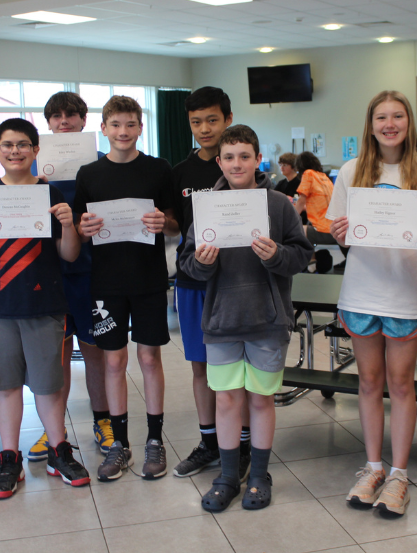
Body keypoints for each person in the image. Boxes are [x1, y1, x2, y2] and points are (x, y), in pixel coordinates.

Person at [179, 124, 312, 512]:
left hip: (267, 321)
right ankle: (226, 476)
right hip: (221, 322)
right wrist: (202, 266)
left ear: (257, 160)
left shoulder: (277, 205)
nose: (237, 164)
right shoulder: (206, 206)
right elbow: (187, 262)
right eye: (230, 157)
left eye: (245, 156)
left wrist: (275, 256)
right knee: (227, 401)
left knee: (260, 401)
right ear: (219, 162)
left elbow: (300, 256)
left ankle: (258, 475)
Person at [326, 91, 417, 514]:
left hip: (406, 294)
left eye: (397, 116)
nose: (389, 124)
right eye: (381, 117)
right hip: (362, 291)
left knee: (402, 384)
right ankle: (373, 466)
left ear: (408, 123)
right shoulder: (351, 171)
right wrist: (341, 235)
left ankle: (399, 475)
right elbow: (340, 234)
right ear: (370, 124)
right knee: (369, 382)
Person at [0, 118, 87, 499]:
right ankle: (9, 457)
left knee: (48, 384)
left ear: (36, 150)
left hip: (44, 304)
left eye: (23, 144)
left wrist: (69, 227)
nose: (15, 151)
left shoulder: (51, 196)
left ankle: (57, 450)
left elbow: (69, 255)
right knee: (6, 384)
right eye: (7, 145)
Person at [74, 95, 174, 482]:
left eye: (131, 124)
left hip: (148, 280)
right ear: (103, 128)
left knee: (149, 360)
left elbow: (175, 224)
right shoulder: (89, 174)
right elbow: (81, 231)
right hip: (106, 283)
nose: (123, 132)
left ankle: (153, 440)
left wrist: (163, 222)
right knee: (114, 362)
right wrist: (83, 230)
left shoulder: (158, 169)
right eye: (116, 125)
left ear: (140, 127)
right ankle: (119, 444)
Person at [161, 86, 254, 480]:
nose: (204, 128)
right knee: (201, 366)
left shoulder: (239, 166)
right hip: (194, 282)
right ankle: (209, 440)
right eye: (196, 121)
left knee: (241, 369)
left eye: (212, 119)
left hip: (239, 284)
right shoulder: (180, 172)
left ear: (228, 119)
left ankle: (246, 442)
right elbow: (174, 221)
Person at [26, 91, 114, 463]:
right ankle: (53, 430)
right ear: (48, 123)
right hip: (49, 275)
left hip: (93, 271)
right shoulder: (32, 169)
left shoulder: (99, 164)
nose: (64, 121)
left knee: (95, 351)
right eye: (57, 116)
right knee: (56, 355)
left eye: (71, 115)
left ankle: (103, 420)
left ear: (83, 121)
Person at [295, 151, 340, 273]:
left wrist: (290, 218)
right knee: (307, 226)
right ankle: (313, 259)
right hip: (334, 228)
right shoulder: (324, 176)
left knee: (297, 229)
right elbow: (321, 203)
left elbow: (301, 201)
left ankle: (311, 261)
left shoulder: (308, 174)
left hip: (324, 231)